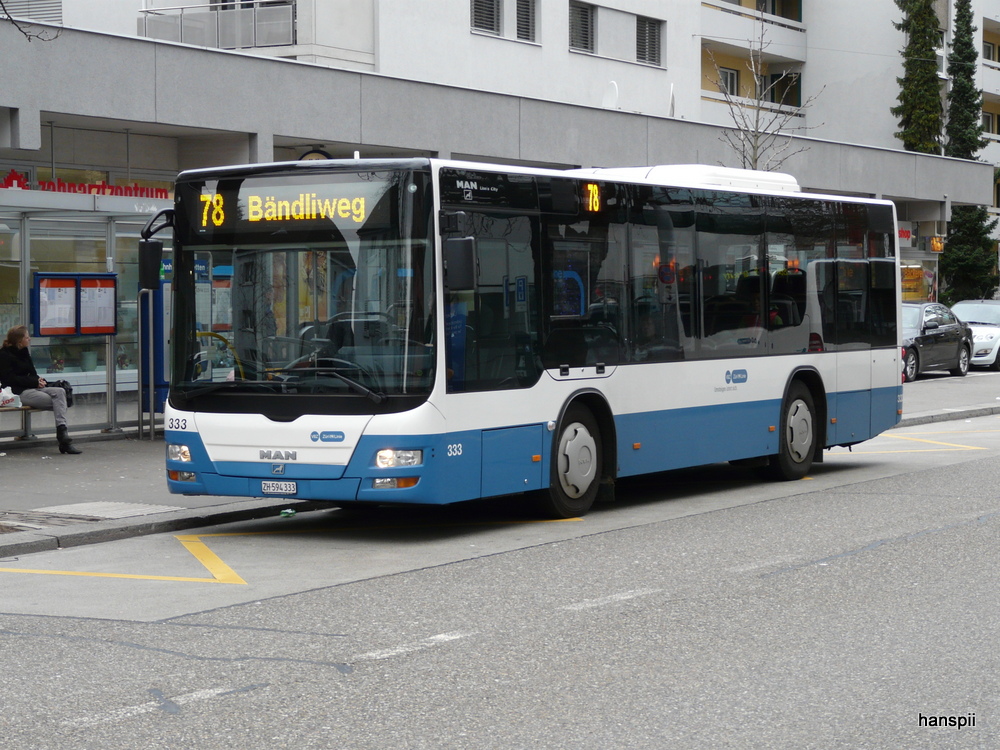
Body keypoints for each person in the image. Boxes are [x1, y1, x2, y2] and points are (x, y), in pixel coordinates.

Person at [0, 325, 81, 454]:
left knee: (60, 392)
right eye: (27, 337)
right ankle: (63, 441)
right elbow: (9, 379)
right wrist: (34, 381)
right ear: (19, 340)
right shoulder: (4, 355)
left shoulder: (24, 352)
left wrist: (40, 381)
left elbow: (32, 373)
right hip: (17, 391)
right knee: (58, 401)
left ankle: (62, 434)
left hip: (32, 387)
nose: (29, 339)